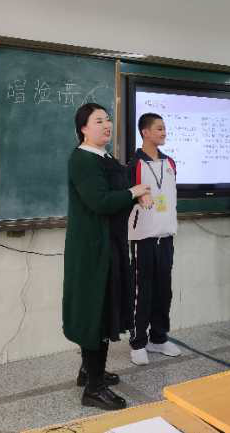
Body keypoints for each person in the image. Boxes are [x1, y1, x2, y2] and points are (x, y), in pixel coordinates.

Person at [63, 103, 152, 410]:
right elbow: (100, 201)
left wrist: (136, 193)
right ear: (83, 128)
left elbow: (120, 189)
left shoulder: (104, 157)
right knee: (95, 314)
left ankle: (89, 372)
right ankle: (94, 389)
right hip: (93, 251)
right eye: (98, 120)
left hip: (110, 244)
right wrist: (134, 192)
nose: (107, 125)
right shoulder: (82, 159)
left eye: (108, 119)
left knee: (102, 309)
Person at [127, 113, 182, 365]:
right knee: (142, 291)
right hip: (143, 238)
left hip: (166, 236)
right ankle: (138, 341)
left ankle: (158, 338)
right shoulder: (134, 164)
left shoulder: (170, 163)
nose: (164, 132)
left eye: (164, 128)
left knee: (163, 291)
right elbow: (126, 197)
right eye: (159, 128)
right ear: (145, 132)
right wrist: (136, 196)